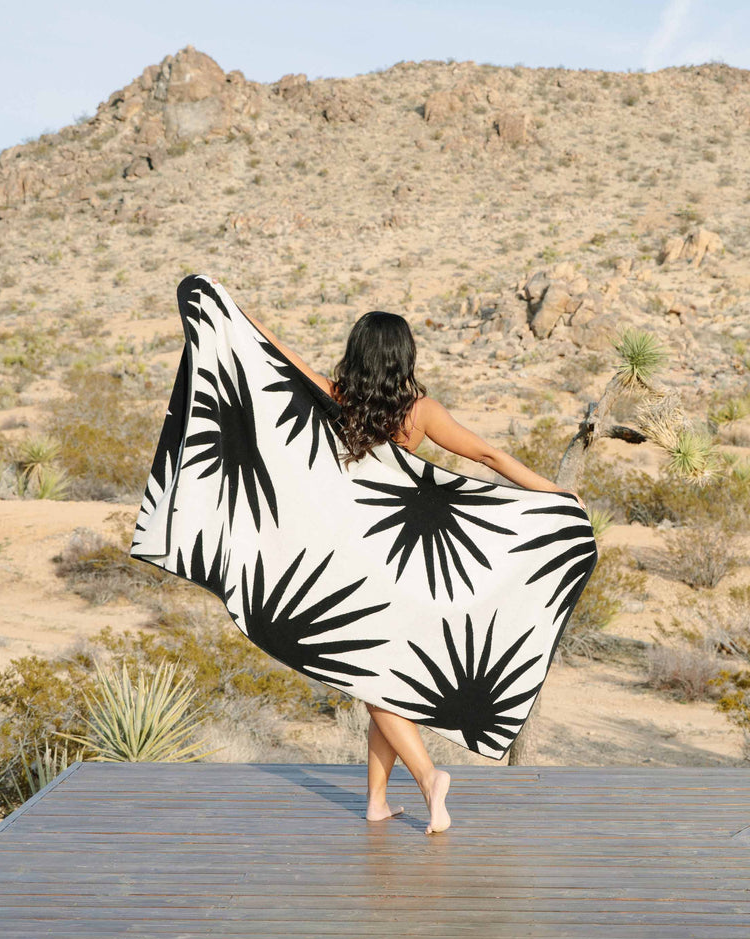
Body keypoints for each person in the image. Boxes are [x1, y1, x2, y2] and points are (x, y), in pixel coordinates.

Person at [222, 285, 585, 835]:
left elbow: (281, 358)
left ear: (358, 352)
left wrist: (239, 315)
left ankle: (428, 778)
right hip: (403, 560)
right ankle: (375, 801)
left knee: (372, 681)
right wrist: (556, 495)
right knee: (378, 679)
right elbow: (489, 454)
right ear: (404, 357)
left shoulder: (335, 396)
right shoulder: (420, 413)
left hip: (349, 559)